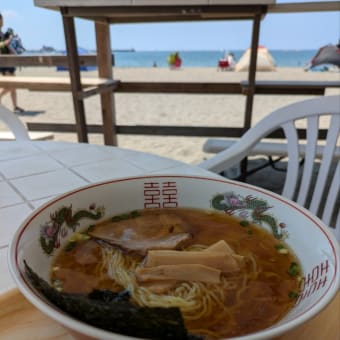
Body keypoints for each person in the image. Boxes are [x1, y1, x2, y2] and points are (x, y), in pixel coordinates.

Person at [0, 12, 24, 112]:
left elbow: (8, 46)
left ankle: (15, 106)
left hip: (9, 62)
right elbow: (2, 46)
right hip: (3, 64)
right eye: (1, 20)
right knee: (10, 86)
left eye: (2, 19)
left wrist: (12, 39)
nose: (2, 22)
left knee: (13, 86)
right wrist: (6, 42)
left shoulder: (3, 33)